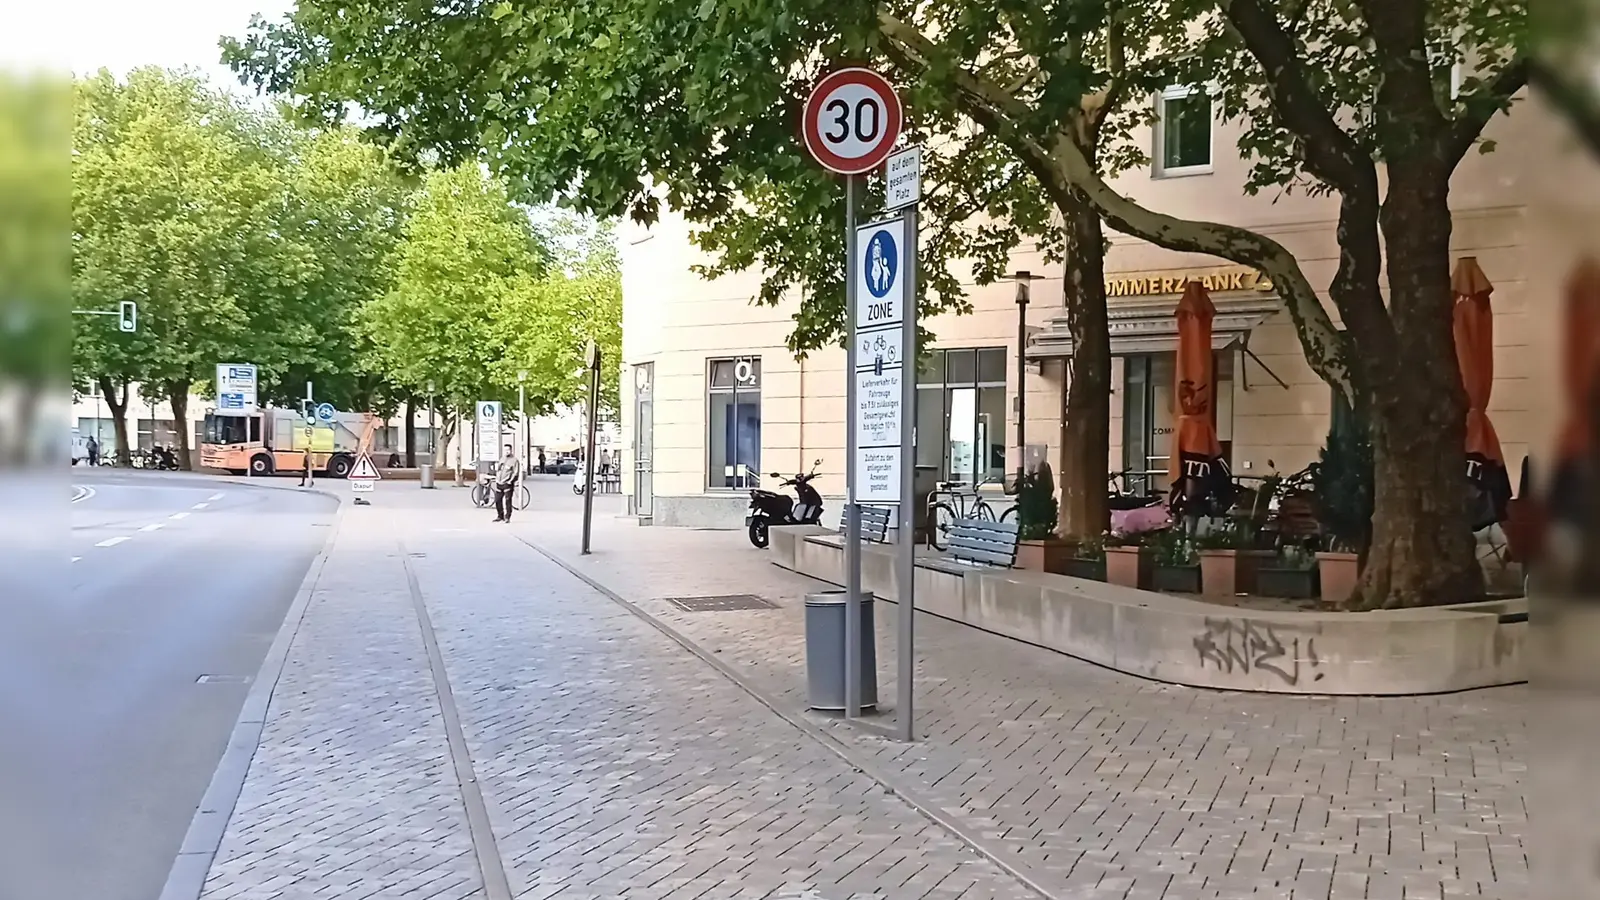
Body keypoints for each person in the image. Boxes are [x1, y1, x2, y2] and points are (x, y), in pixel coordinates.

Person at [492, 443, 521, 523]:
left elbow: (516, 472)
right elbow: (498, 470)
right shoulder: (502, 459)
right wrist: (496, 478)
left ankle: (507, 517)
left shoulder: (514, 460)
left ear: (511, 450)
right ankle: (500, 516)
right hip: (499, 483)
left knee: (508, 501)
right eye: (505, 450)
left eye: (508, 450)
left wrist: (510, 481)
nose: (506, 451)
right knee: (497, 500)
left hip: (507, 483)